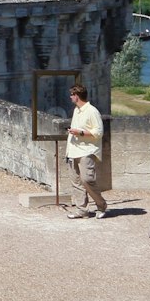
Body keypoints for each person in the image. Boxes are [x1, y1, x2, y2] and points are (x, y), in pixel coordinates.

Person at [64, 81, 107, 218]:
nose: (70, 97)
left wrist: (80, 133)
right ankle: (82, 210)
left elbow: (99, 132)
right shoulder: (76, 110)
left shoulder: (92, 111)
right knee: (76, 181)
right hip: (73, 150)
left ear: (77, 96)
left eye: (72, 95)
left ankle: (101, 205)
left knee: (87, 179)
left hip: (86, 150)